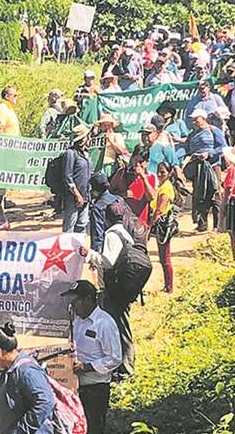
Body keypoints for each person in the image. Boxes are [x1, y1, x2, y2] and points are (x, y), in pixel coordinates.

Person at [79, 203, 147, 378]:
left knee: (118, 326)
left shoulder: (111, 235)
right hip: (125, 286)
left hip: (115, 289)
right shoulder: (126, 233)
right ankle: (125, 363)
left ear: (106, 219)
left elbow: (108, 262)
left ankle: (125, 367)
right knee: (122, 324)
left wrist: (89, 254)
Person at [0, 323, 56, 434]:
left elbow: (45, 401)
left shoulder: (26, 371)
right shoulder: (13, 369)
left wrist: (20, 431)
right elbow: (4, 385)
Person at [61, 280, 122, 434]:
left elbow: (115, 358)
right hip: (75, 385)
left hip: (95, 388)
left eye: (75, 301)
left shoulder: (104, 323)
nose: (72, 306)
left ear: (88, 299)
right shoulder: (77, 321)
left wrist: (87, 366)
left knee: (93, 427)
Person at [185, 109, 227, 233]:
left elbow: (223, 147)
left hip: (213, 166)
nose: (194, 121)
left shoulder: (214, 131)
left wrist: (209, 154)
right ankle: (202, 224)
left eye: (196, 119)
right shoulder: (193, 134)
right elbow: (187, 148)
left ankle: (217, 225)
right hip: (198, 168)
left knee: (215, 193)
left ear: (203, 119)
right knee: (200, 194)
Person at [58, 125, 92, 234]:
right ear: (83, 139)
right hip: (72, 198)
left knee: (82, 225)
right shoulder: (70, 153)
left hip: (86, 195)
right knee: (69, 226)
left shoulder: (85, 154)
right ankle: (67, 249)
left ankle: (78, 249)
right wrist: (77, 195)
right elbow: (67, 177)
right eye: (88, 136)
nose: (90, 138)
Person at [150, 162, 178, 292]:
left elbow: (160, 209)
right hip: (162, 224)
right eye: (159, 172)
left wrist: (151, 225)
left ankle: (169, 286)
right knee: (163, 257)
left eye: (163, 172)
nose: (160, 174)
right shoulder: (163, 186)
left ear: (169, 173)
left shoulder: (166, 189)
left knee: (165, 257)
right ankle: (168, 285)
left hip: (163, 226)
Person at [88, 172, 121, 254]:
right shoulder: (118, 199)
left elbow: (97, 235)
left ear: (95, 189)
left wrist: (95, 256)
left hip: (108, 248)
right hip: (123, 245)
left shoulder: (97, 208)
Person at [122, 151, 156, 227]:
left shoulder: (151, 177)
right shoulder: (124, 175)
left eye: (140, 162)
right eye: (135, 161)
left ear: (146, 162)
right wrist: (122, 194)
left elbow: (151, 197)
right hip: (124, 220)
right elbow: (111, 192)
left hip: (141, 222)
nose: (137, 164)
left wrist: (143, 177)